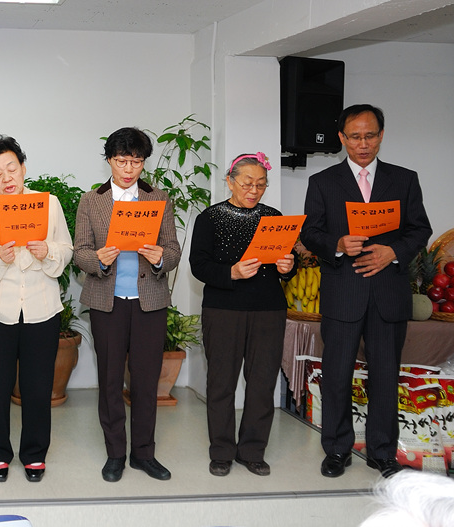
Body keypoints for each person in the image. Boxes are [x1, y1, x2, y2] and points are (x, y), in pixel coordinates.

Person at [301, 104, 431, 479]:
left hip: (389, 292)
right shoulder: (323, 182)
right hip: (344, 292)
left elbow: (420, 229)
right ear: (342, 138)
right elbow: (310, 232)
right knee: (337, 374)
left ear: (381, 136)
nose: (363, 144)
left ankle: (382, 452)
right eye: (355, 137)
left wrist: (394, 251)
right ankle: (336, 449)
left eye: (370, 136)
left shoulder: (404, 179)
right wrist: (338, 243)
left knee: (386, 376)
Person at [73, 127, 180, 482]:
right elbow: (80, 252)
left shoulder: (158, 198)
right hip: (108, 302)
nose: (129, 169)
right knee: (109, 380)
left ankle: (144, 454)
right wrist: (98, 260)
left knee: (146, 382)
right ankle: (115, 453)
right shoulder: (92, 200)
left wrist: (160, 256)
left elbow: (174, 250)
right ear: (109, 160)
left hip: (149, 301)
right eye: (122, 161)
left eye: (136, 161)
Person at [0, 135, 73, 483]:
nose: (6, 178)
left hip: (41, 307)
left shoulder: (50, 204)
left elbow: (66, 249)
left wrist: (49, 252)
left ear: (23, 167)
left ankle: (34, 454)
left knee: (38, 385)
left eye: (11, 168)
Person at [189, 152, 296, 477]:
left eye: (261, 184)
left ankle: (252, 451)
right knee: (221, 382)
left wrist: (288, 267)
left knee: (262, 383)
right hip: (224, 310)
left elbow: (287, 261)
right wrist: (232, 273)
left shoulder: (273, 217)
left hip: (268, 310)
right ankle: (221, 451)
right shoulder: (210, 218)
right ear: (230, 181)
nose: (254, 190)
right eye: (247, 183)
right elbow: (199, 265)